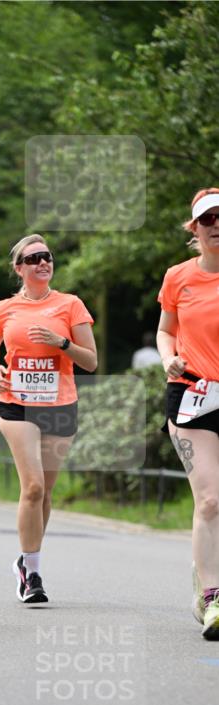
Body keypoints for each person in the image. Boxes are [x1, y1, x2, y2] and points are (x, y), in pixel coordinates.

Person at [0, 234, 97, 603]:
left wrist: (60, 342)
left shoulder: (70, 305)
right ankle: (33, 576)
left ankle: (25, 560)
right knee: (31, 487)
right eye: (33, 259)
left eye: (47, 257)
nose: (43, 263)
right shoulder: (4, 309)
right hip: (16, 403)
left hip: (60, 405)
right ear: (19, 269)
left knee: (45, 492)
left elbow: (90, 362)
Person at [156, 187, 219, 641]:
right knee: (210, 499)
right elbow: (165, 332)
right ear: (194, 228)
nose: (217, 225)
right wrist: (168, 359)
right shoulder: (178, 277)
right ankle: (213, 596)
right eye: (208, 219)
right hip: (193, 393)